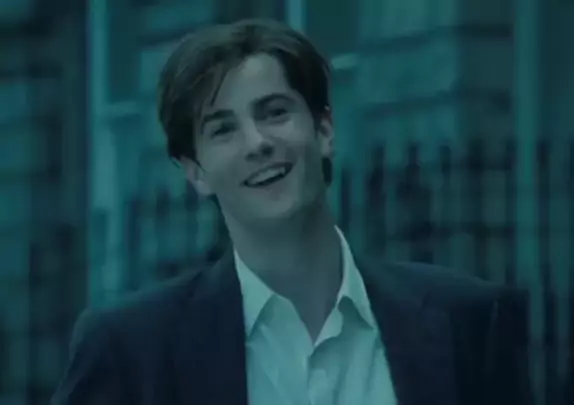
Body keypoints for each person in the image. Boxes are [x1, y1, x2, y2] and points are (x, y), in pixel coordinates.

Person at [52, 18, 531, 405]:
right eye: (223, 129)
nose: (257, 143)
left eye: (275, 112)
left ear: (324, 131)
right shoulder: (130, 349)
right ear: (195, 172)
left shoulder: (468, 322)